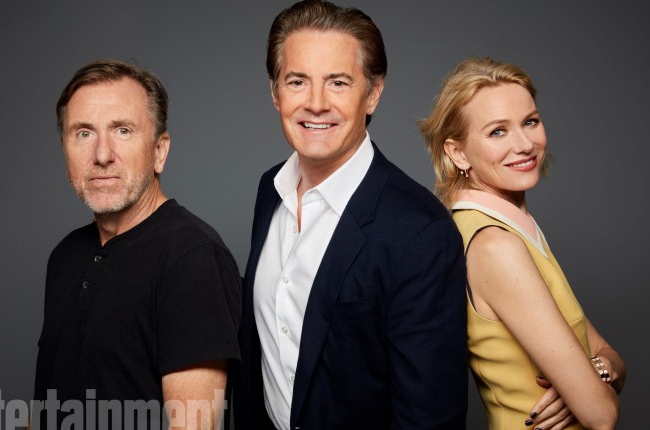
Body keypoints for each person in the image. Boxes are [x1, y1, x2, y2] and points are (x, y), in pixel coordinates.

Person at [234, 1, 468, 428]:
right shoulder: (270, 191)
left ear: (373, 93)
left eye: (338, 83)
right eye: (297, 81)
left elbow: (429, 417)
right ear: (275, 92)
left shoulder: (421, 232)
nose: (316, 103)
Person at [33, 60, 241, 430]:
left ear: (160, 150)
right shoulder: (65, 256)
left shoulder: (192, 259)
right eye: (84, 133)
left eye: (123, 131)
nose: (102, 155)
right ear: (65, 149)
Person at [420, 57, 626, 430]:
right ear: (457, 152)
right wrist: (592, 387)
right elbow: (602, 414)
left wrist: (600, 368)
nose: (525, 144)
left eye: (530, 122)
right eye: (498, 131)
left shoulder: (512, 228)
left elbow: (606, 353)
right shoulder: (495, 244)